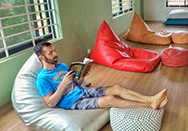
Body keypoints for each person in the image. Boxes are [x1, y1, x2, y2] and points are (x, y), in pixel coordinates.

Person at [34, 41, 168, 110]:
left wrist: (83, 75)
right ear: (41, 57)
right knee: (109, 99)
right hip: (73, 103)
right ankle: (149, 105)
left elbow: (77, 84)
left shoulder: (62, 66)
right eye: (50, 53)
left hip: (82, 92)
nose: (55, 54)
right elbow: (51, 103)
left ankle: (150, 99)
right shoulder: (43, 78)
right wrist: (62, 85)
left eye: (54, 50)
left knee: (116, 88)